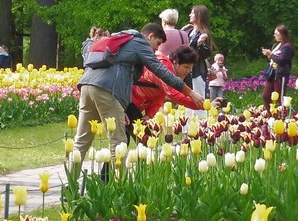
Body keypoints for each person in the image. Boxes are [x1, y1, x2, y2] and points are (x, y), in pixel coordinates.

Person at [73, 22, 203, 163]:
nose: (157, 49)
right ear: (150, 36)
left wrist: (122, 107)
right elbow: (160, 71)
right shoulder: (139, 42)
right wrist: (189, 92)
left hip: (86, 85)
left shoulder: (118, 39)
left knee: (81, 140)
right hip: (106, 90)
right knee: (118, 142)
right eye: (157, 43)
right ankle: (119, 183)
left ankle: (72, 183)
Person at [130, 45, 203, 128]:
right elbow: (174, 94)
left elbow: (159, 96)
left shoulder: (169, 71)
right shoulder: (163, 66)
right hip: (128, 101)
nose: (188, 71)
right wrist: (202, 104)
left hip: (135, 104)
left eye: (190, 68)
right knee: (143, 137)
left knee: (140, 136)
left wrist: (149, 114)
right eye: (186, 67)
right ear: (175, 62)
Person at [181, 4, 214, 94]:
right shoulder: (189, 32)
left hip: (197, 71)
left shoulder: (203, 34)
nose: (189, 15)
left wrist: (200, 43)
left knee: (197, 99)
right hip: (187, 72)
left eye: (192, 13)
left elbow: (204, 55)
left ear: (199, 15)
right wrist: (181, 32)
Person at [261, 24, 294, 110]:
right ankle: (270, 113)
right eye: (274, 33)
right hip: (272, 74)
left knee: (279, 97)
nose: (274, 35)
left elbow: (282, 61)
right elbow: (273, 59)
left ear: (282, 34)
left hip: (281, 74)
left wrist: (270, 54)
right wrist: (268, 55)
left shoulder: (287, 47)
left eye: (276, 34)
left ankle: (281, 116)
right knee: (266, 95)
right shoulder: (276, 45)